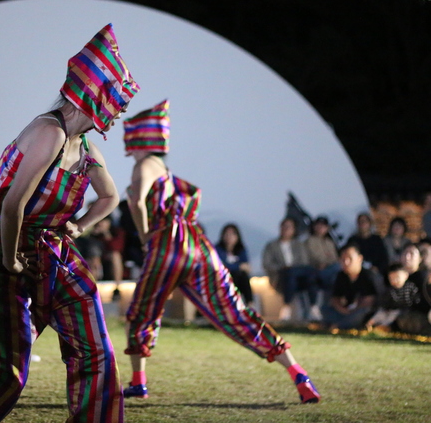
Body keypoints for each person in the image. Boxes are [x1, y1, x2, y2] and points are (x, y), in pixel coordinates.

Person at [0, 23, 139, 423]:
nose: (120, 109)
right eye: (115, 100)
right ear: (92, 97)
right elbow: (12, 206)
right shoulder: (49, 133)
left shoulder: (87, 147)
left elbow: (110, 198)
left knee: (97, 351)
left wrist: (80, 225)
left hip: (57, 252)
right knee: (8, 377)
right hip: (10, 247)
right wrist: (10, 261)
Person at [121, 100, 320, 404]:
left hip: (167, 245)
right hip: (198, 246)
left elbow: (137, 202)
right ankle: (297, 373)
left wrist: (146, 235)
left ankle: (139, 381)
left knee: (142, 313)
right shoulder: (166, 170)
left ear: (141, 141)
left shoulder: (144, 164)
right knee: (235, 312)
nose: (129, 150)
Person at [262, 218, 319, 321]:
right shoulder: (271, 246)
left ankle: (311, 307)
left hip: (300, 277)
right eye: (284, 226)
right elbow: (267, 264)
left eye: (289, 227)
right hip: (281, 277)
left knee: (309, 273)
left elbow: (304, 262)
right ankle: (293, 306)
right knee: (289, 273)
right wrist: (281, 268)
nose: (286, 229)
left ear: (294, 229)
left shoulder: (299, 245)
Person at [321, 242, 379, 330]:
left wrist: (353, 311)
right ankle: (342, 324)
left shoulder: (368, 276)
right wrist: (342, 309)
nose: (346, 262)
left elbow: (369, 301)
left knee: (362, 313)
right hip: (346, 311)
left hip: (362, 311)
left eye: (349, 259)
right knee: (325, 309)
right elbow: (335, 298)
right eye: (343, 259)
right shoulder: (341, 276)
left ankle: (340, 325)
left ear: (360, 259)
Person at [365, 263, 420, 332]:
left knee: (393, 315)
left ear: (406, 275)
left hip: (403, 311)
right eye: (392, 279)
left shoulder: (411, 287)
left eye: (397, 277)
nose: (395, 281)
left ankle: (384, 327)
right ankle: (370, 324)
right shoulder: (390, 290)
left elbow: (416, 300)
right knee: (381, 313)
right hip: (390, 309)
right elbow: (385, 302)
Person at [394, 243, 431, 335]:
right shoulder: (396, 275)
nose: (407, 257)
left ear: (420, 258)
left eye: (411, 254)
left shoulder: (424, 277)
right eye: (405, 253)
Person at [215, 223, 253, 305]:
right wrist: (238, 266)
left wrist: (238, 268)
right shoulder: (217, 250)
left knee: (243, 276)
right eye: (227, 234)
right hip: (221, 280)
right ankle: (232, 304)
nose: (229, 236)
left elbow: (247, 267)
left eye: (232, 234)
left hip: (239, 279)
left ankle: (249, 304)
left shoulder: (241, 250)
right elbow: (220, 267)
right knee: (235, 274)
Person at [305, 216, 340, 296]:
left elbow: (334, 258)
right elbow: (314, 257)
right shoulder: (310, 241)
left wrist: (329, 262)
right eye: (318, 225)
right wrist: (327, 262)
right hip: (317, 270)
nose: (320, 228)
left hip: (332, 268)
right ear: (314, 227)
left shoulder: (329, 242)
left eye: (323, 226)